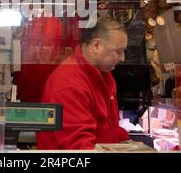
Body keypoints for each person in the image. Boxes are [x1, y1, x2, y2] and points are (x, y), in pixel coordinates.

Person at [37, 16, 130, 150]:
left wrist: (128, 143)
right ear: (96, 45)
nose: (122, 58)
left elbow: (107, 127)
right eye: (118, 51)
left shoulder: (102, 73)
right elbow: (79, 147)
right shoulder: (70, 84)